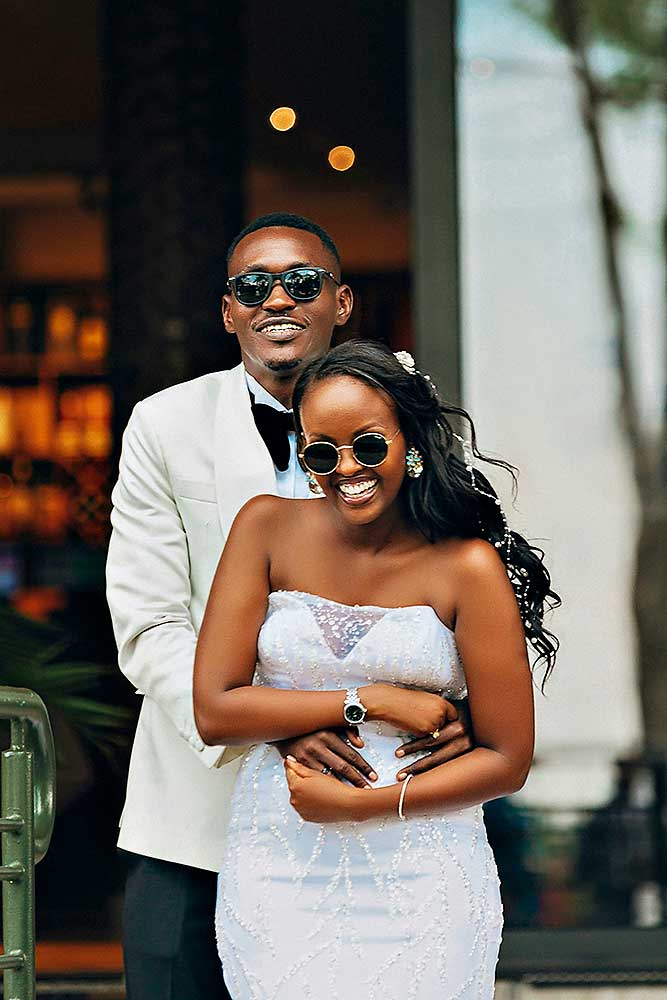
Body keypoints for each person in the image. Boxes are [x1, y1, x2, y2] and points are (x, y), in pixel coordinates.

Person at [106, 213, 474, 1000]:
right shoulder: (163, 424)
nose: (278, 299)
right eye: (253, 285)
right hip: (194, 820)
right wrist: (286, 716)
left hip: (384, 820)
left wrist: (459, 712)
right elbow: (149, 625)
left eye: (301, 283)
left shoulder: (406, 415)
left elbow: (457, 588)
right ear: (228, 310)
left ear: (340, 303)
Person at [193, 340, 560, 999]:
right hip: (277, 865)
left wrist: (364, 805)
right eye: (320, 452)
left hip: (423, 873)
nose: (345, 470)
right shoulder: (265, 528)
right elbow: (216, 709)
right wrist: (372, 699)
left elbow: (507, 759)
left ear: (409, 442)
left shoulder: (466, 566)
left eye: (367, 446)